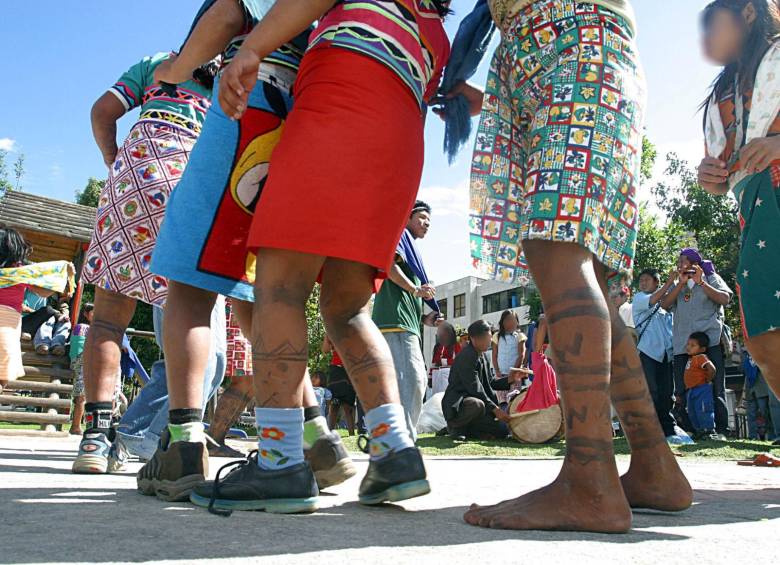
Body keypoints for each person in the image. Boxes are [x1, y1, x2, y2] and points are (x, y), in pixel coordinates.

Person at [189, 0, 450, 514]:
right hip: (399, 143)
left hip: (338, 111)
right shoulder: (435, 26)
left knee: (279, 289)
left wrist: (254, 48)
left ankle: (280, 461)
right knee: (348, 308)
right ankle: (395, 452)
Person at [442, 0, 693, 533]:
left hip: (571, 41)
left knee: (556, 250)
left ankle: (589, 481)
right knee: (589, 277)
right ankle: (653, 468)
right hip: (568, 52)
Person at [142, 0, 353, 499]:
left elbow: (229, 13)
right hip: (303, 114)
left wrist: (177, 68)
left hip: (248, 99)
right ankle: (316, 438)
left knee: (191, 282)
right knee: (258, 292)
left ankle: (184, 444)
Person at [73, 50, 217, 474]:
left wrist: (111, 155)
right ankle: (178, 438)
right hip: (192, 180)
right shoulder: (235, 71)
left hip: (136, 174)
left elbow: (103, 110)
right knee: (187, 316)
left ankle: (95, 439)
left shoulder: (158, 61)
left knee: (107, 320)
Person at [698, 0, 780, 410]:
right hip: (754, 211)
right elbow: (723, 166)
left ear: (748, 12)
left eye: (713, 25)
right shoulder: (722, 92)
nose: (706, 39)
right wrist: (709, 178)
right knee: (764, 337)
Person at [373, 201, 442, 440]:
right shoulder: (400, 236)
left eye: (429, 221)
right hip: (395, 324)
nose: (426, 224)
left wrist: (424, 318)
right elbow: (388, 265)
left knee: (406, 383)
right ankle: (402, 441)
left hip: (406, 324)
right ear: (408, 217)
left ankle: (395, 438)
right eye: (422, 217)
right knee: (413, 381)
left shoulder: (410, 248)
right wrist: (416, 290)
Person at [661, 249, 733, 438]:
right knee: (683, 389)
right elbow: (664, 305)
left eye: (683, 261)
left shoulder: (711, 277)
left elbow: (725, 298)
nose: (680, 265)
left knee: (715, 386)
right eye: (679, 261)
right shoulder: (679, 284)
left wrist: (701, 282)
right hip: (683, 345)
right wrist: (680, 284)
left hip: (709, 344)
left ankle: (720, 430)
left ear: (695, 263)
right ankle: (692, 430)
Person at [0, 228, 73, 389]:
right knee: (2, 379)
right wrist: (63, 277)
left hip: (10, 326)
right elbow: (44, 291)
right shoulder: (19, 271)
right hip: (7, 329)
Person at [442, 320, 513, 440]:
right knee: (476, 404)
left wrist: (511, 378)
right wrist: (495, 409)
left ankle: (469, 430)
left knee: (502, 431)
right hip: (460, 404)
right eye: (488, 338)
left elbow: (491, 382)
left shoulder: (484, 355)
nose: (490, 341)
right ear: (474, 338)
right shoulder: (467, 356)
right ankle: (454, 427)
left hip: (480, 405)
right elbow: (475, 388)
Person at [632, 269, 679, 441]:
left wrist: (677, 282)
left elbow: (666, 302)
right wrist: (669, 282)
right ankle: (650, 429)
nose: (643, 283)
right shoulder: (639, 298)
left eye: (647, 280)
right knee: (651, 392)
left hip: (666, 354)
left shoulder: (662, 303)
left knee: (667, 393)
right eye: (641, 280)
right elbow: (653, 300)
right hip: (648, 352)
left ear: (655, 282)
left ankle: (668, 428)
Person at [684, 332, 718, 440]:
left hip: (702, 388)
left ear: (702, 349)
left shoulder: (701, 357)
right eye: (688, 344)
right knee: (692, 410)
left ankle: (708, 431)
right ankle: (699, 430)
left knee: (704, 409)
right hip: (691, 390)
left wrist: (707, 380)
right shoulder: (690, 359)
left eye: (693, 345)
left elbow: (712, 369)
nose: (689, 347)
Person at [491, 310, 527, 405]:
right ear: (502, 322)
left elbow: (521, 355)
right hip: (500, 375)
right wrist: (497, 370)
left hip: (515, 375)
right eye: (507, 320)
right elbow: (494, 355)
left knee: (514, 400)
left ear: (517, 322)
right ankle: (503, 418)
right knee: (502, 401)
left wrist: (514, 371)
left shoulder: (520, 336)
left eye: (513, 320)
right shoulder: (497, 336)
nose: (510, 322)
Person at [69, 304, 95, 435]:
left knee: (83, 397)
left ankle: (78, 425)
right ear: (85, 313)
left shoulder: (83, 327)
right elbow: (79, 349)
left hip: (84, 362)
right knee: (81, 397)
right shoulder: (84, 328)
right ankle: (76, 426)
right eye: (93, 312)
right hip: (83, 362)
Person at [323, 335, 356, 436]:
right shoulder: (332, 331)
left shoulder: (353, 331)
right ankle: (330, 434)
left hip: (349, 369)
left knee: (348, 406)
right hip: (336, 370)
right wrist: (327, 337)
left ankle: (351, 434)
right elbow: (325, 350)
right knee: (334, 404)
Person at [743, 351, 776, 440]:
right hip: (750, 388)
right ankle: (752, 436)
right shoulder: (745, 355)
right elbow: (741, 369)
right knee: (751, 414)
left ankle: (772, 435)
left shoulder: (762, 354)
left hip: (762, 388)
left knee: (766, 413)